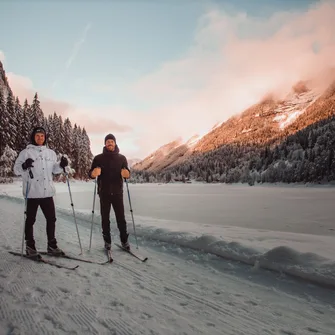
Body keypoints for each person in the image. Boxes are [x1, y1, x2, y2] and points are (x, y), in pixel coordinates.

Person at [13, 126, 69, 257]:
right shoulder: (25, 153)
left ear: (45, 137)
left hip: (47, 193)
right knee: (30, 220)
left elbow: (54, 170)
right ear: (33, 137)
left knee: (51, 219)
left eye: (42, 136)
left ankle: (52, 246)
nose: (40, 138)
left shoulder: (50, 153)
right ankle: (30, 247)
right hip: (32, 193)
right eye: (37, 136)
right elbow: (16, 170)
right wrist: (24, 165)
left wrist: (61, 165)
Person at [88, 134, 131, 251]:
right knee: (105, 219)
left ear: (115, 143)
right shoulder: (98, 158)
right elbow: (90, 174)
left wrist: (127, 173)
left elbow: (127, 172)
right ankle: (107, 242)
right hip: (104, 193)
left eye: (112, 141)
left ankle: (124, 241)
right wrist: (93, 173)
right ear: (105, 144)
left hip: (118, 193)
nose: (110, 143)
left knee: (121, 219)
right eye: (108, 142)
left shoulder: (122, 158)